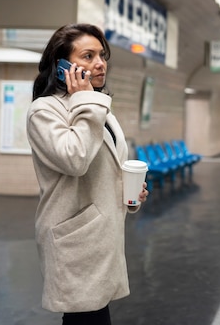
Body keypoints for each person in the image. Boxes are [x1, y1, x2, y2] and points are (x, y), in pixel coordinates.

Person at [26, 23, 148, 324]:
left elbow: (105, 166)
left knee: (94, 314)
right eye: (88, 56)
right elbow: (75, 159)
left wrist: (128, 191)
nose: (99, 63)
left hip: (100, 234)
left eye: (102, 55)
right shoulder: (45, 111)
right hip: (75, 236)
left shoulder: (98, 108)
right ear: (62, 65)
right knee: (85, 317)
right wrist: (86, 101)